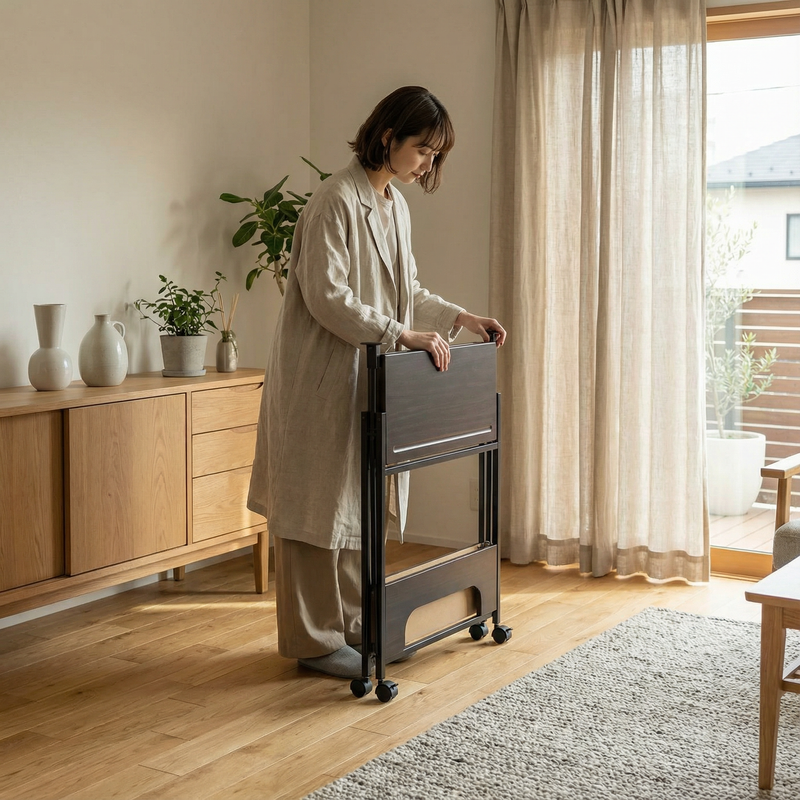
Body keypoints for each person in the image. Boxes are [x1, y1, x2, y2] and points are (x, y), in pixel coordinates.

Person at [247, 86, 506, 679]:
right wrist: (399, 334)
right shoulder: (334, 200)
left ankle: (355, 622)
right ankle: (314, 643)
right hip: (322, 379)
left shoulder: (394, 205)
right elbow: (326, 296)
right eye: (423, 150)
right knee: (315, 510)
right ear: (388, 137)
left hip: (367, 377)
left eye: (436, 156)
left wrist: (461, 317)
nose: (428, 165)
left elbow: (407, 290)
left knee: (357, 502)